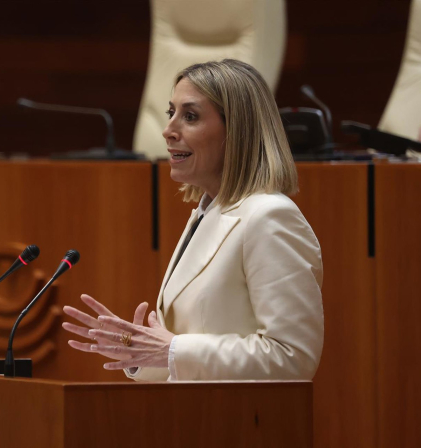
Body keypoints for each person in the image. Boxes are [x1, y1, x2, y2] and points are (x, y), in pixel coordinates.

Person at [62, 59, 324, 381]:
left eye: (190, 116)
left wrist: (172, 350)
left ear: (237, 130)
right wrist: (141, 353)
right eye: (171, 112)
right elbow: (184, 349)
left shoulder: (269, 217)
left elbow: (293, 358)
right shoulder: (206, 214)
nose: (168, 130)